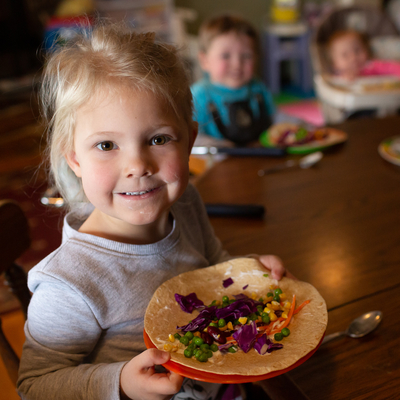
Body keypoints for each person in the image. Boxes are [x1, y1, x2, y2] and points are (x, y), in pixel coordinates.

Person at [17, 21, 292, 400]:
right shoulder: (69, 284)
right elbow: (35, 386)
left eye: (158, 139)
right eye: (106, 145)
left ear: (189, 141)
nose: (138, 165)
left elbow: (212, 263)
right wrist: (120, 383)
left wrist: (247, 272)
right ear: (73, 158)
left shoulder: (186, 202)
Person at [191, 14, 275, 145]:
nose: (237, 64)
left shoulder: (258, 88)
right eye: (225, 56)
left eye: (246, 56)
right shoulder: (198, 96)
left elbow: (275, 119)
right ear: (204, 60)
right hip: (218, 162)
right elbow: (191, 139)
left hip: (260, 157)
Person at [326, 29, 400, 81]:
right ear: (335, 63)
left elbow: (391, 67)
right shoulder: (334, 76)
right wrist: (344, 79)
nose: (353, 57)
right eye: (345, 55)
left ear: (366, 50)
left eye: (357, 50)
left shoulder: (372, 65)